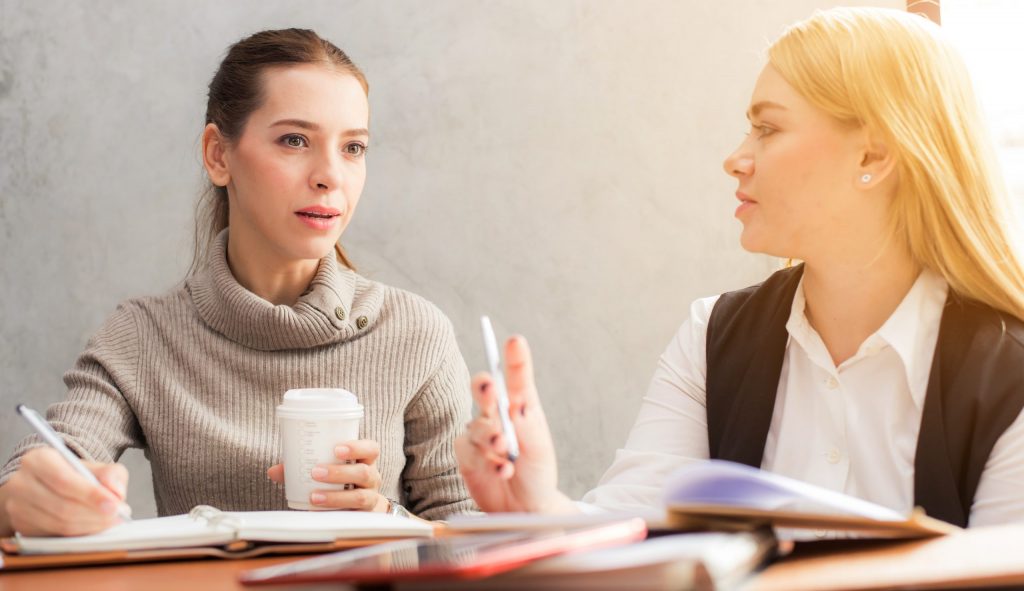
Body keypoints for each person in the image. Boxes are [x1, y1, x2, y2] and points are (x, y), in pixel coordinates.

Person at [456, 7, 1024, 528]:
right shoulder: (713, 336)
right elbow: (633, 535)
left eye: (768, 128)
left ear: (873, 156)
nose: (735, 159)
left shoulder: (1008, 373)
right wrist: (539, 506)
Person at [0, 28, 475, 537]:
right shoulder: (143, 336)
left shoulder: (416, 333)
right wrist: (22, 502)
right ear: (217, 155)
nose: (330, 175)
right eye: (295, 140)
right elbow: (43, 466)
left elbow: (475, 534)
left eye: (353, 147)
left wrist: (388, 521)